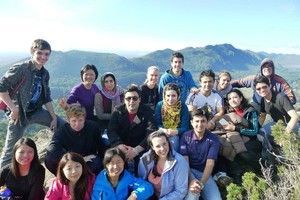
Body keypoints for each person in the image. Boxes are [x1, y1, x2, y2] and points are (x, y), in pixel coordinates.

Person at [0, 39, 66, 169]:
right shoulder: (22, 68)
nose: (43, 57)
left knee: (63, 126)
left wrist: (53, 117)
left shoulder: (44, 74)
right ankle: (2, 182)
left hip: (36, 111)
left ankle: (58, 158)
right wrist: (13, 109)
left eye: (46, 54)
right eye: (40, 53)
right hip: (20, 114)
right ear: (32, 52)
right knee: (10, 151)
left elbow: (46, 97)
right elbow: (1, 86)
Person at [107, 84, 157, 173]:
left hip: (141, 148)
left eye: (134, 98)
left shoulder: (147, 111)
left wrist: (136, 150)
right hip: (122, 148)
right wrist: (120, 146)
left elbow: (151, 131)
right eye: (128, 98)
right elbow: (111, 130)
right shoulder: (118, 111)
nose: (131, 101)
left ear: (139, 99)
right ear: (124, 100)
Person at [45, 104, 104, 175]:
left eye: (80, 120)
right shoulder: (62, 131)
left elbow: (101, 146)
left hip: (89, 158)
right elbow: (52, 151)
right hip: (70, 160)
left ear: (84, 119)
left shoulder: (93, 127)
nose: (77, 124)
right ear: (68, 120)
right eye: (74, 121)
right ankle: (63, 178)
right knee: (49, 161)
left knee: (97, 162)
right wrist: (79, 159)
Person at [180, 109, 222, 200]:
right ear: (191, 122)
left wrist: (201, 184)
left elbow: (210, 163)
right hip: (189, 171)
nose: (200, 124)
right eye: (197, 121)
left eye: (203, 121)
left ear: (207, 122)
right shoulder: (185, 136)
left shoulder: (213, 139)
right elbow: (185, 162)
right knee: (192, 196)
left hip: (205, 173)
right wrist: (191, 180)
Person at [223, 89, 262, 184]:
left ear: (241, 98)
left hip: (253, 140)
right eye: (230, 98)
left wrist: (235, 128)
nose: (233, 100)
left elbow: (254, 131)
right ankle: (237, 175)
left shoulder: (250, 111)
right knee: (227, 149)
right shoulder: (228, 111)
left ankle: (263, 169)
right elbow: (223, 124)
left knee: (242, 152)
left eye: (235, 97)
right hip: (237, 139)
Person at [231, 58, 297, 112]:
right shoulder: (254, 79)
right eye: (264, 67)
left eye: (269, 66)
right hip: (257, 104)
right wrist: (224, 87)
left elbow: (292, 98)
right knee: (249, 113)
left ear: (273, 68)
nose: (267, 68)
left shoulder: (280, 82)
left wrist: (280, 104)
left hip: (274, 107)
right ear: (261, 69)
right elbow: (239, 82)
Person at [138, 131, 189, 200]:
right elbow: (141, 181)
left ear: (168, 143)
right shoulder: (145, 159)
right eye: (158, 146)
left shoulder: (180, 162)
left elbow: (180, 192)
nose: (162, 149)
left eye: (164, 144)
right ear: (152, 147)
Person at [254, 75, 300, 146]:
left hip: (291, 124)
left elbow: (295, 118)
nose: (262, 90)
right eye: (258, 89)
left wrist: (285, 136)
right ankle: (270, 151)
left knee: (291, 142)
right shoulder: (263, 100)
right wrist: (255, 129)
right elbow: (262, 116)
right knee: (261, 133)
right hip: (277, 123)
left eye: (264, 87)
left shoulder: (281, 97)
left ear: (270, 86)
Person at [154, 83, 189, 151]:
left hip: (176, 134)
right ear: (164, 96)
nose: (170, 99)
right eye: (168, 96)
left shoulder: (183, 107)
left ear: (178, 96)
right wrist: (164, 130)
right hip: (161, 132)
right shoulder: (160, 105)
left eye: (173, 96)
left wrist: (175, 132)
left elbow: (185, 127)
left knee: (174, 140)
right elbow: (156, 123)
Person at [94, 72, 124, 138]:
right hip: (105, 124)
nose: (109, 84)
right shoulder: (99, 95)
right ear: (103, 83)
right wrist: (116, 116)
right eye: (106, 82)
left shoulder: (120, 92)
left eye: (111, 81)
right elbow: (100, 115)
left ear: (114, 82)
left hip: (120, 122)